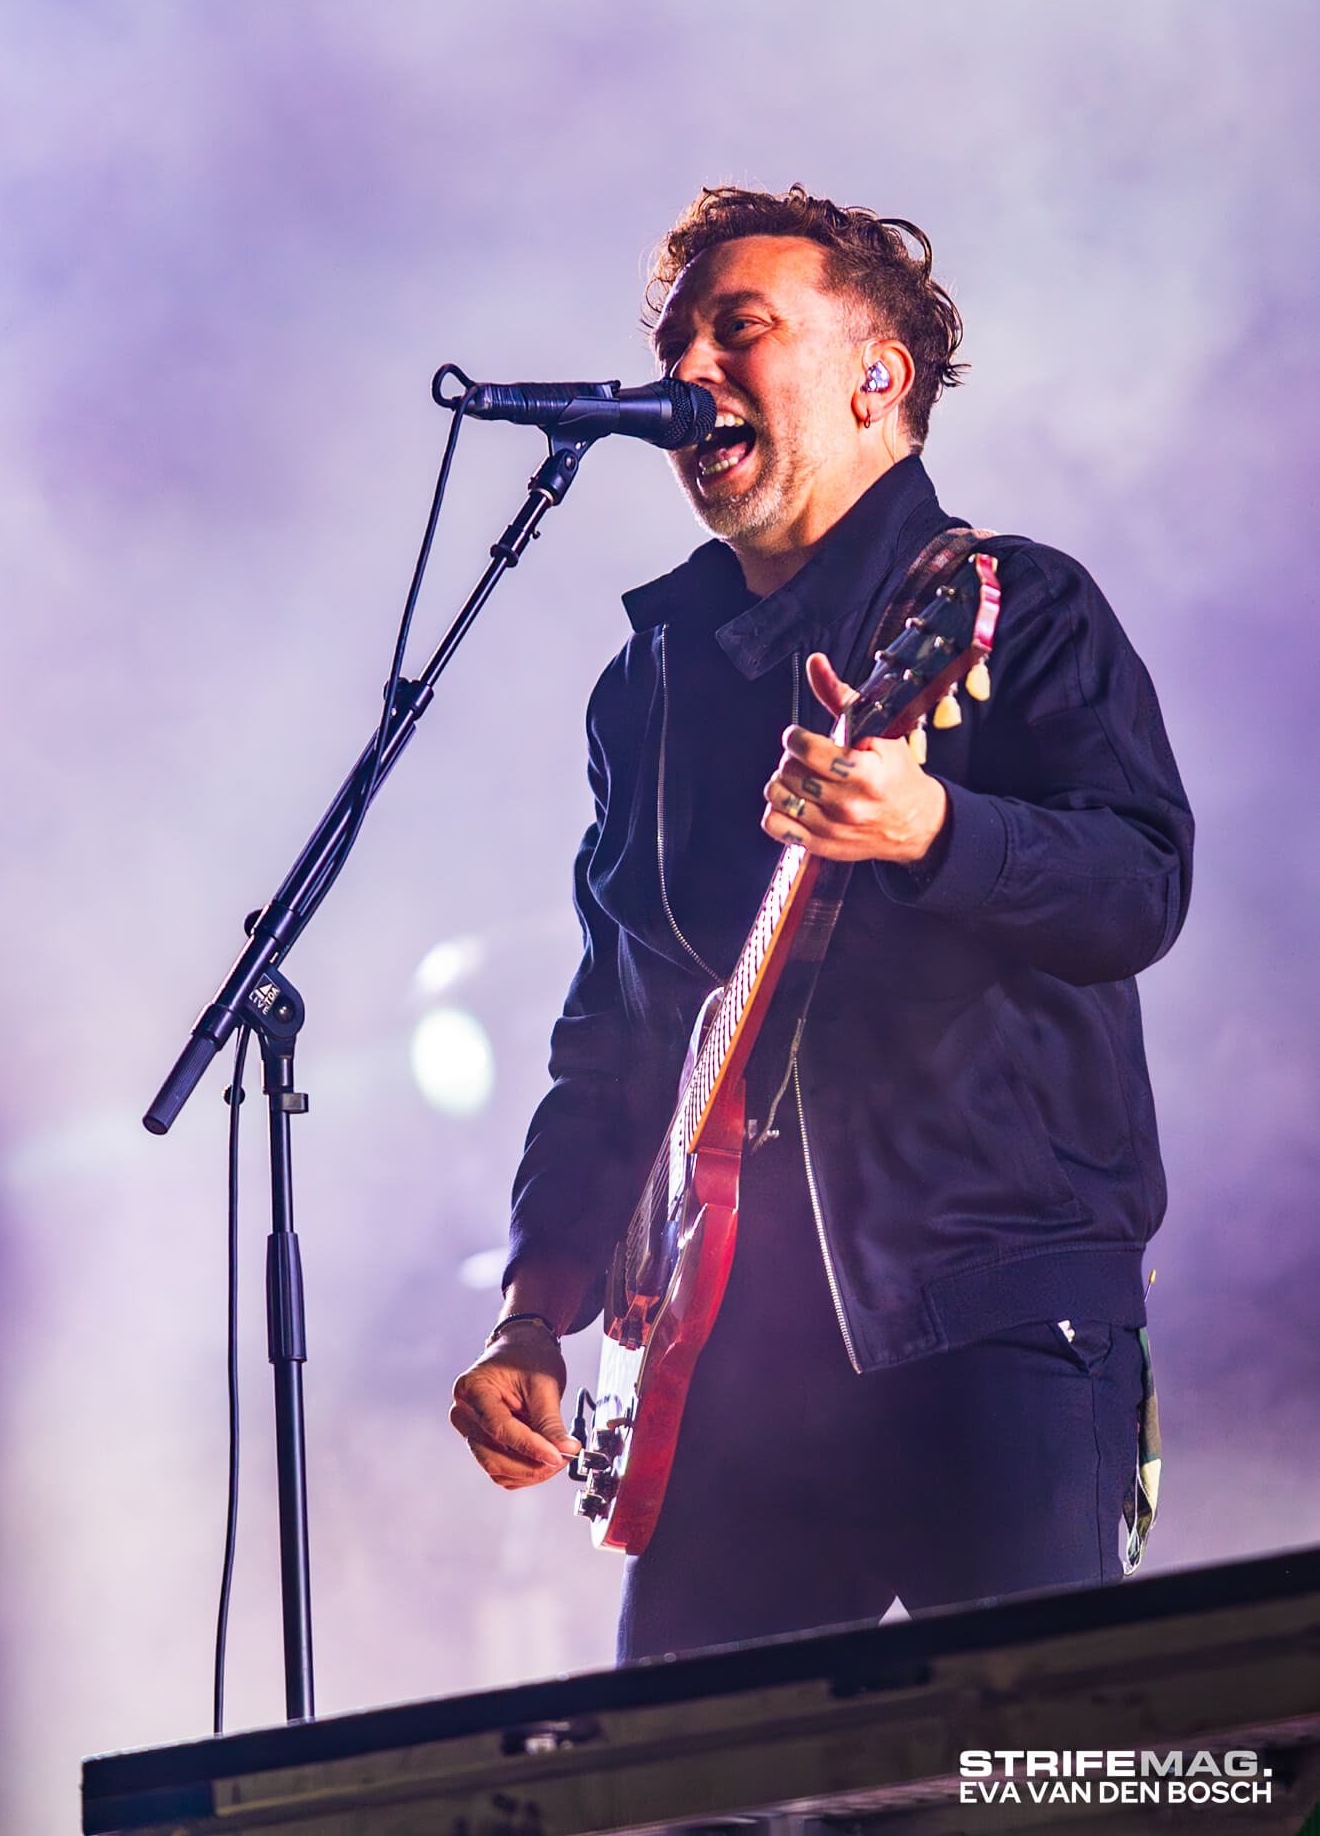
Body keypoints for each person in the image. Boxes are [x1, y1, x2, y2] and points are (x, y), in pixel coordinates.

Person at [450, 185, 1192, 1661]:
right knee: (680, 1769)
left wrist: (936, 831)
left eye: (742, 329)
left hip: (991, 1317)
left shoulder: (1013, 606)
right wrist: (535, 1308)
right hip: (731, 1359)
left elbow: (1140, 884)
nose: (690, 370)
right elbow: (613, 1037)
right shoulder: (651, 685)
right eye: (676, 343)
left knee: (1039, 1762)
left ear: (876, 376)